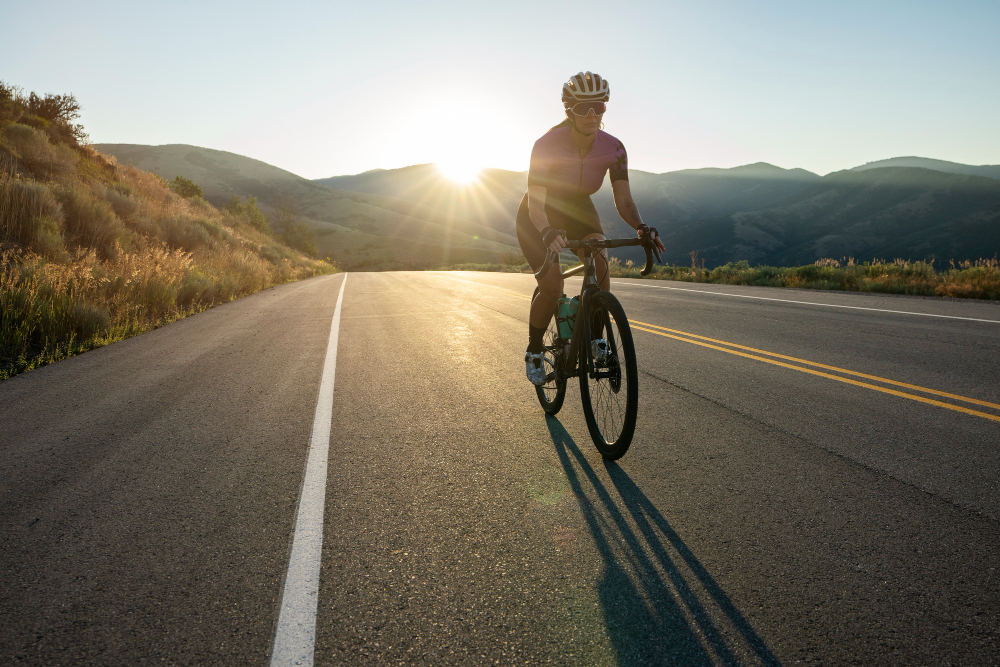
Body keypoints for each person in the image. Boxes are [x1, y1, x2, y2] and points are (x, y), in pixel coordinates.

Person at [518, 71, 665, 385]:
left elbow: (624, 201)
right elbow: (535, 203)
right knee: (552, 288)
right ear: (568, 109)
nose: (592, 114)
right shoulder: (546, 144)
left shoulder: (614, 148)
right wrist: (546, 230)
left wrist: (641, 227)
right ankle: (533, 351)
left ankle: (597, 340)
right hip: (540, 213)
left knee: (600, 259)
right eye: (583, 107)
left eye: (599, 107)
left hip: (579, 209)